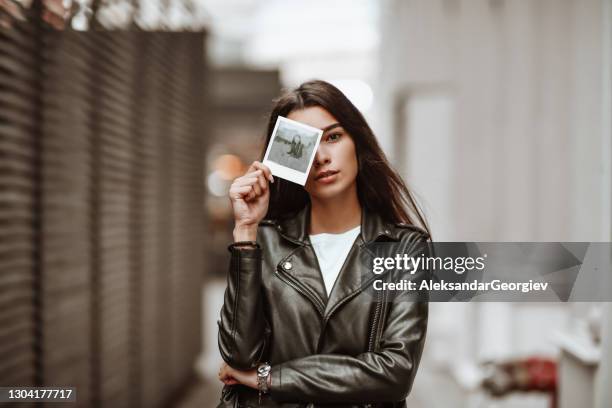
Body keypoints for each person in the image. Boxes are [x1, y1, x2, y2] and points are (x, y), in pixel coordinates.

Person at [216, 80, 431, 407]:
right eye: (305, 144)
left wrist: (269, 378)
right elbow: (238, 354)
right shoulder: (265, 240)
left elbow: (394, 373)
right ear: (287, 157)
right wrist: (245, 232)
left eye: (332, 137)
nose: (320, 157)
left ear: (357, 141)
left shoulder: (404, 247)